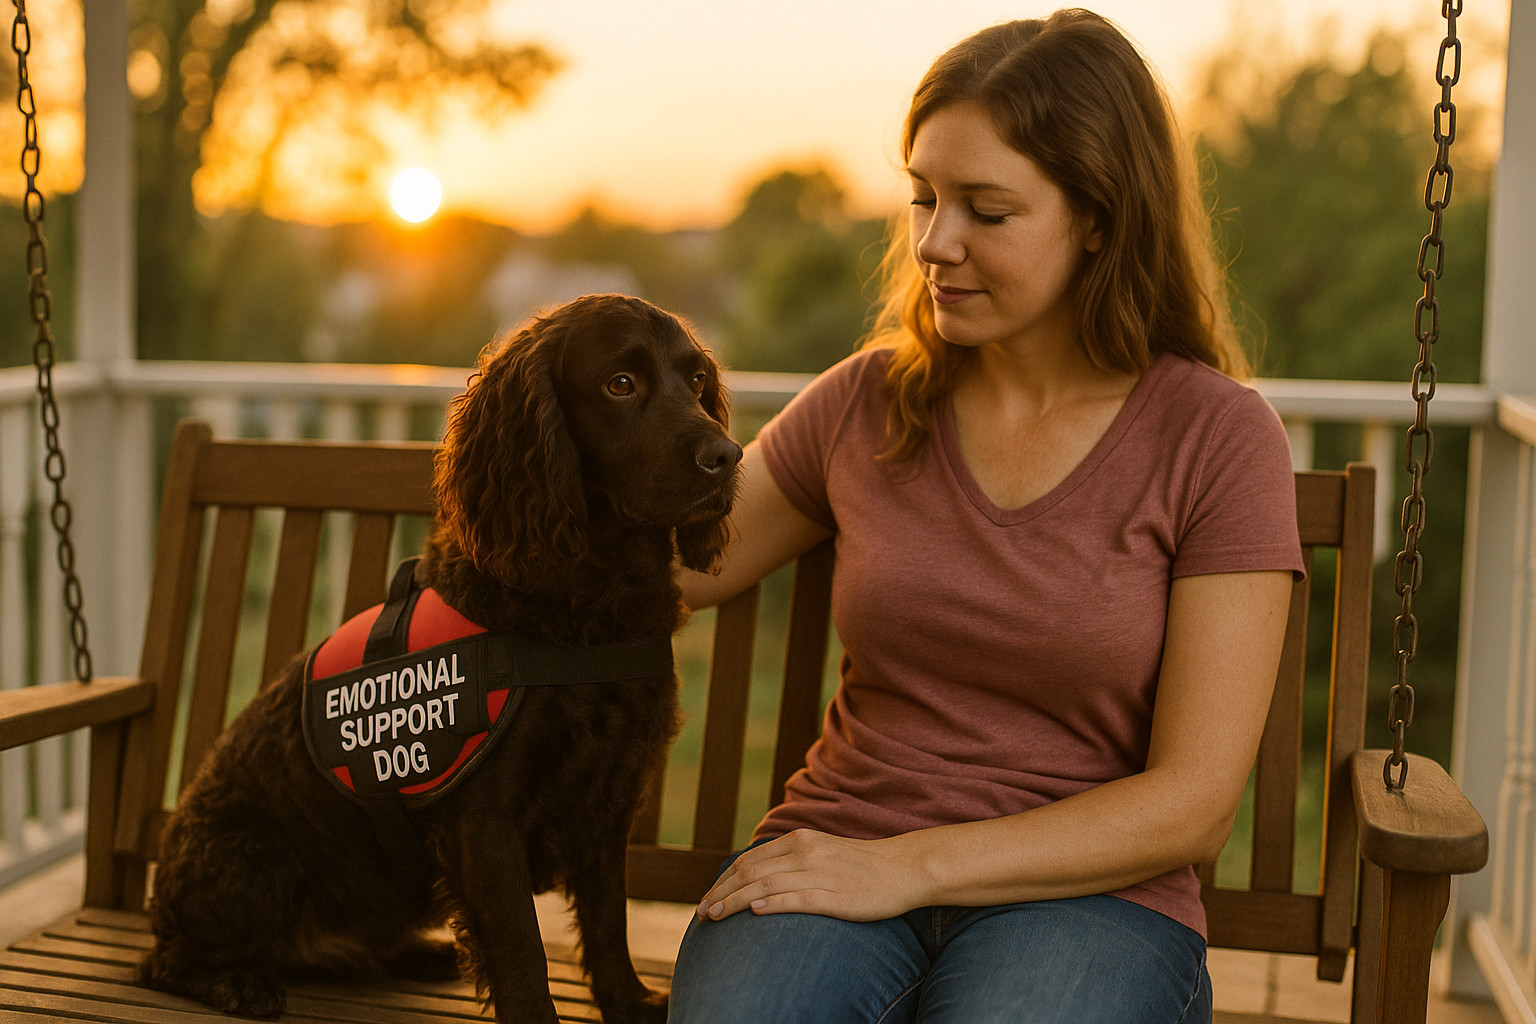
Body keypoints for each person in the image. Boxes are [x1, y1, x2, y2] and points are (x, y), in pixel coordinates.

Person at [666, 9, 1304, 1023]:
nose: (933, 242)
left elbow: (1191, 802)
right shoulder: (867, 400)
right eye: (922, 196)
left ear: (1099, 216)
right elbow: (675, 569)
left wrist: (909, 868)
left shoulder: (1218, 439)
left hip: (1091, 898)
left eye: (986, 210)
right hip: (838, 851)